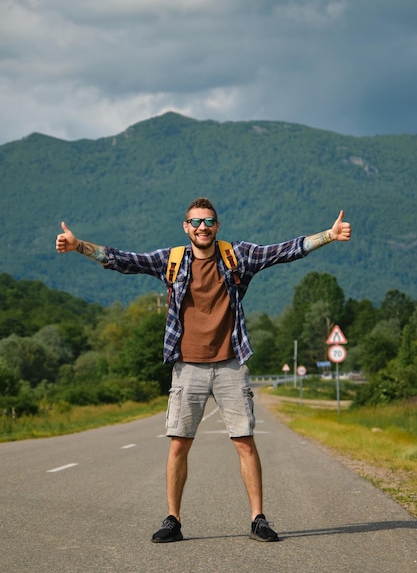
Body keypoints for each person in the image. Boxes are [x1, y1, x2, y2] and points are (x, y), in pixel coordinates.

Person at [56, 197, 351, 543]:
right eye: (195, 223)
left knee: (244, 442)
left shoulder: (236, 256)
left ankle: (258, 519)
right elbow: (122, 260)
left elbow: (285, 250)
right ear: (186, 228)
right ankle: (172, 520)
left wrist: (329, 236)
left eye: (208, 222)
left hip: (230, 364)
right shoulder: (173, 261)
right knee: (179, 444)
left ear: (217, 226)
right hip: (188, 367)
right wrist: (78, 247)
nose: (202, 228)